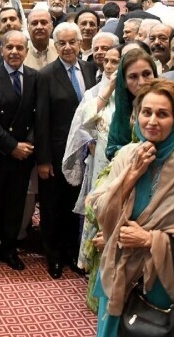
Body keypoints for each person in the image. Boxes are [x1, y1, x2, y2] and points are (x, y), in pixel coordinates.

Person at [91, 79, 174, 335]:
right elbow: (102, 212)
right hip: (119, 271)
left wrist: (151, 240)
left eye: (162, 114)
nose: (152, 121)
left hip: (162, 279)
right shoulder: (128, 155)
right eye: (146, 112)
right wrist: (130, 177)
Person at [35, 23, 98, 278]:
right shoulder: (46, 75)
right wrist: (43, 160)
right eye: (62, 43)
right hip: (57, 153)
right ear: (55, 45)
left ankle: (73, 253)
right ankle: (54, 256)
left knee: (77, 204)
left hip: (87, 152)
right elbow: (42, 121)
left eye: (72, 42)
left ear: (81, 42)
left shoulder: (91, 69)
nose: (68, 47)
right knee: (53, 207)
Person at [63, 45, 122, 311]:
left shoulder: (135, 94)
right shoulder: (95, 93)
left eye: (116, 62)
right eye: (107, 62)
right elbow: (83, 125)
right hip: (100, 167)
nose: (110, 66)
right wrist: (106, 93)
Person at [0, 31, 38, 274]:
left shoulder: (34, 77)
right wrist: (13, 146)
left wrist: (28, 145)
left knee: (15, 206)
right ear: (1, 50)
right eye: (9, 47)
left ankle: (9, 249)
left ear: (26, 51)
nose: (14, 52)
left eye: (19, 48)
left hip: (24, 155)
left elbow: (38, 115)